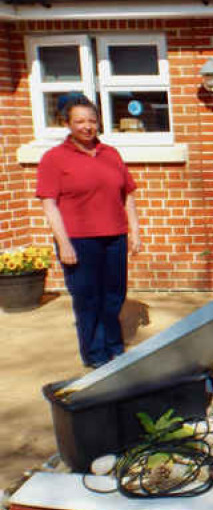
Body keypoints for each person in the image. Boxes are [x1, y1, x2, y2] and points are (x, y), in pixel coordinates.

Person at [36, 93, 142, 368]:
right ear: (68, 124)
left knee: (114, 295)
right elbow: (50, 205)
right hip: (79, 241)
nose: (87, 126)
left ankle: (114, 347)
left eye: (92, 121)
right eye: (80, 121)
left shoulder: (111, 153)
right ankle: (95, 355)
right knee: (88, 298)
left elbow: (127, 196)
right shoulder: (54, 158)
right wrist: (65, 244)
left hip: (114, 237)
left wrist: (135, 232)